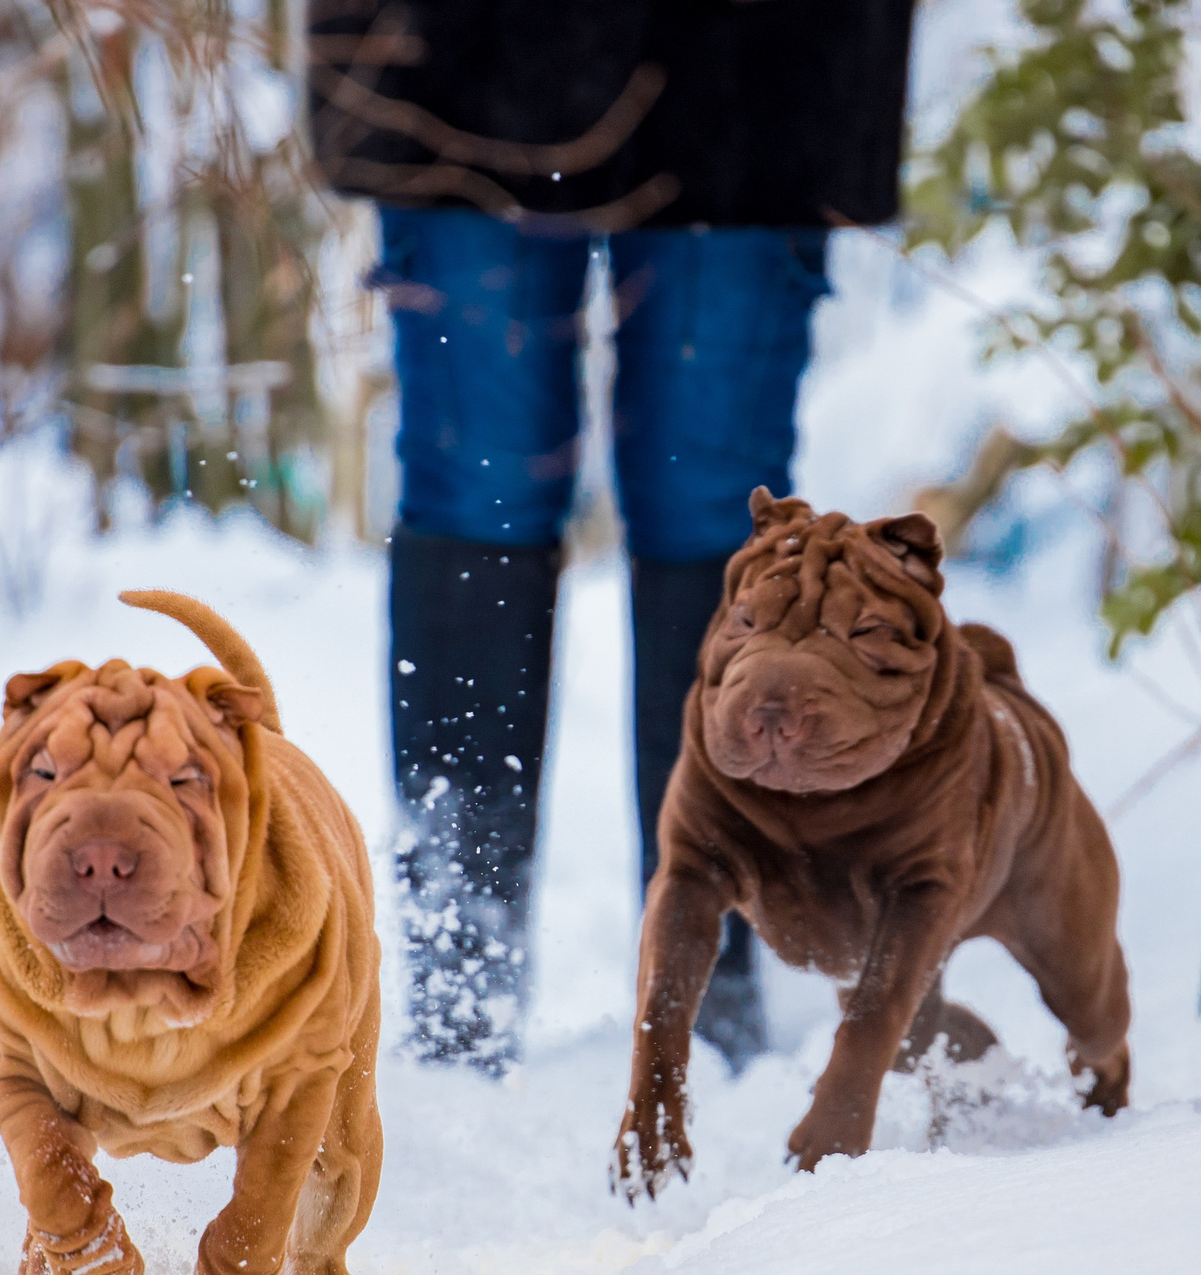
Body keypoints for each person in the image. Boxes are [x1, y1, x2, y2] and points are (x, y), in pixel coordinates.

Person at [308, 0, 920, 1071]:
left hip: (753, 62)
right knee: (476, 486)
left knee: (719, 498)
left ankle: (711, 983)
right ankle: (459, 979)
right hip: (463, 51)